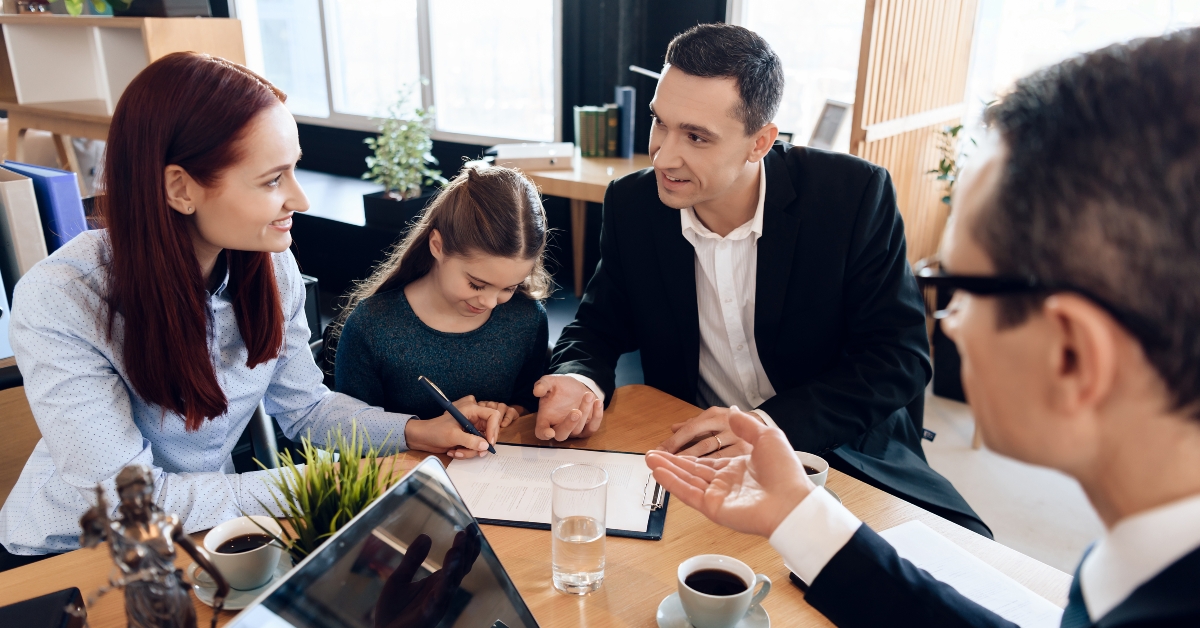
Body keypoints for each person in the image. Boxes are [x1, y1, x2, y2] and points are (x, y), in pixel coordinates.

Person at [647, 29, 1200, 628]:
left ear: (1073, 353)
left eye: (963, 290)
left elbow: (898, 356)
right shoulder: (1138, 569)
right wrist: (797, 515)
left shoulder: (852, 195)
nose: (950, 324)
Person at [0, 53, 502, 570]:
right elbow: (136, 506)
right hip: (71, 556)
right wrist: (334, 482)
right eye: (272, 180)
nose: (300, 199)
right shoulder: (62, 299)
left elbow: (306, 409)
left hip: (200, 536)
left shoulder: (269, 266)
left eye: (295, 169)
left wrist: (417, 431)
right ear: (180, 188)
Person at [532, 23, 989, 536]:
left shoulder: (851, 196)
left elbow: (899, 360)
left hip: (833, 447)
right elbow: (598, 324)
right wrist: (578, 377)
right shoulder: (633, 204)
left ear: (761, 142)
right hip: (698, 455)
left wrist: (766, 428)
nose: (663, 154)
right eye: (661, 123)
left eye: (696, 136)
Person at [331, 165, 550, 435]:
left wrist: (513, 411)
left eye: (509, 287)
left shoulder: (526, 317)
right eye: (477, 284)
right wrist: (425, 432)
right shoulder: (372, 326)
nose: (491, 302)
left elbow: (529, 398)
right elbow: (350, 430)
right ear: (437, 246)